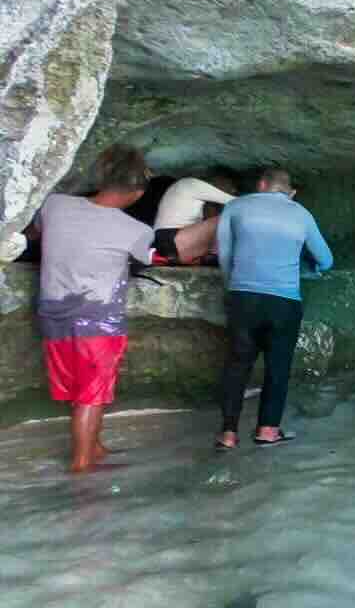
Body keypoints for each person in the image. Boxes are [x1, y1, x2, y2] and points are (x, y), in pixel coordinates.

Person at [36, 144, 155, 472]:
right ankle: (82, 467)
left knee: (77, 389)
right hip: (98, 324)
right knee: (92, 393)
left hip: (53, 318)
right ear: (137, 191)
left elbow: (37, 234)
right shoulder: (136, 230)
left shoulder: (54, 205)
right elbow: (150, 258)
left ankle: (95, 446)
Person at [216, 168, 333, 449]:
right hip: (284, 302)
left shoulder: (235, 206)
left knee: (237, 365)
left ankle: (228, 434)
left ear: (262, 185)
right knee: (278, 367)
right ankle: (267, 431)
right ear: (290, 192)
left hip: (244, 298)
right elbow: (326, 260)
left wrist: (233, 287)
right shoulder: (301, 213)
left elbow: (224, 254)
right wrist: (306, 272)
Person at [153, 176, 237, 264]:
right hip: (171, 239)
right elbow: (240, 203)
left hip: (167, 242)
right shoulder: (192, 184)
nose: (232, 190)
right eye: (230, 186)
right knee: (230, 217)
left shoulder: (187, 190)